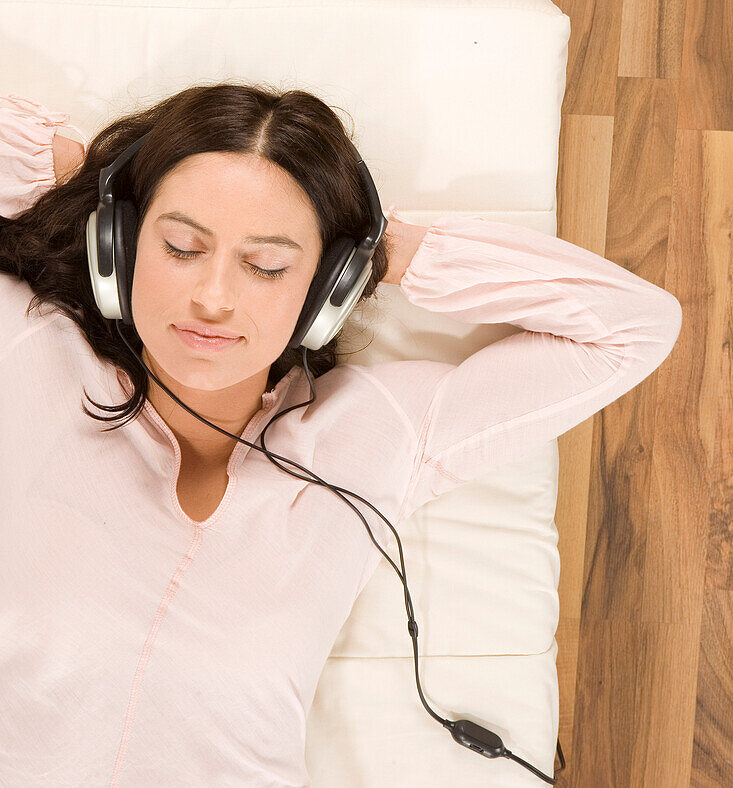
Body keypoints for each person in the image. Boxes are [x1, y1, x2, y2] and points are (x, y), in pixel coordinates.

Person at [0, 86, 683, 785]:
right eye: (179, 246)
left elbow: (633, 328)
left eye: (266, 265)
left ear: (327, 286)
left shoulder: (373, 430)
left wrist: (381, 251)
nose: (212, 296)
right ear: (121, 241)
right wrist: (91, 178)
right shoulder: (29, 347)